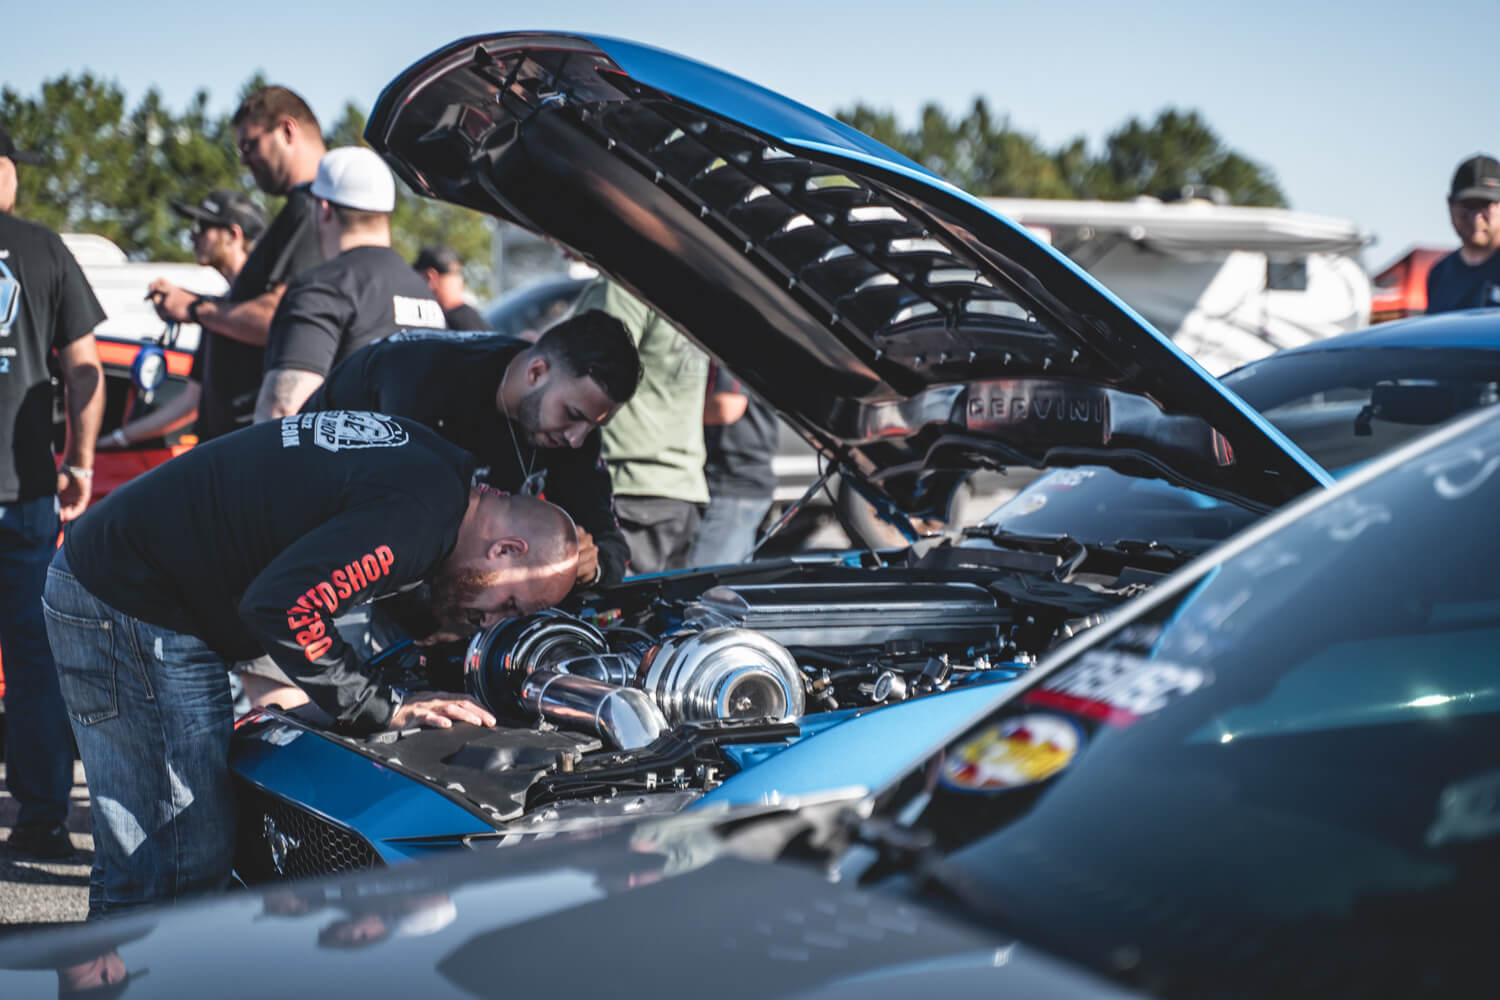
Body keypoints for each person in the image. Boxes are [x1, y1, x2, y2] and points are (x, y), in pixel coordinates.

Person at [44, 411, 579, 916]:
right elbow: (285, 606)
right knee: (178, 859)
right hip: (131, 601)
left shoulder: (440, 472)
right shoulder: (419, 518)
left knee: (147, 859)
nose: (492, 621)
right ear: (506, 549)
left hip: (123, 579)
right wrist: (380, 707)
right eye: (509, 605)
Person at [303, 310, 641, 587]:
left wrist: (590, 564)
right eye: (573, 415)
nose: (576, 438)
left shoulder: (572, 428)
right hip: (310, 539)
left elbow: (608, 541)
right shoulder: (425, 382)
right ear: (537, 373)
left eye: (593, 426)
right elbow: (393, 529)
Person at [0, 123, 106, 861]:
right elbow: (85, 367)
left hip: (29, 489)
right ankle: (40, 820)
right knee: (34, 658)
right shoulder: (43, 249)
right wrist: (82, 461)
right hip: (26, 488)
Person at [147, 85, 326, 439]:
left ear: (287, 131)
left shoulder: (311, 209)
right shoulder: (304, 209)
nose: (243, 160)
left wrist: (197, 308)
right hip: (240, 443)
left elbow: (282, 318)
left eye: (250, 145)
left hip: (253, 443)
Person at [254, 147, 443, 421]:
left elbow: (283, 411)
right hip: (420, 459)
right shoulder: (424, 293)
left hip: (341, 463)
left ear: (324, 208)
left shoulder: (321, 288)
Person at [101, 189, 264, 450]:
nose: (192, 234)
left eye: (203, 226)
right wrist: (118, 438)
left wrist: (191, 306)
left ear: (234, 235)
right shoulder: (216, 310)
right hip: (217, 457)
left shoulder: (260, 309)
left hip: (252, 457)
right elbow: (190, 402)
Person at [573, 279, 709, 574]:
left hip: (632, 483)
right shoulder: (687, 288)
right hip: (682, 486)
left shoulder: (621, 288)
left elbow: (590, 370)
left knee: (622, 614)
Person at [688, 364, 779, 566]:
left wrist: (671, 410)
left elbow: (726, 406)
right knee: (726, 585)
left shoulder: (736, 341)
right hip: (739, 480)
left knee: (702, 588)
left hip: (734, 481)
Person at [1426, 154, 1500, 314]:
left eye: (1484, 205)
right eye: (1467, 205)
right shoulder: (1439, 275)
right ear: (1450, 205)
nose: (1475, 217)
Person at [414, 245, 488, 330]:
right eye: (456, 273)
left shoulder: (461, 319)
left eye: (458, 273)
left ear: (431, 277)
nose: (460, 281)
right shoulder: (465, 317)